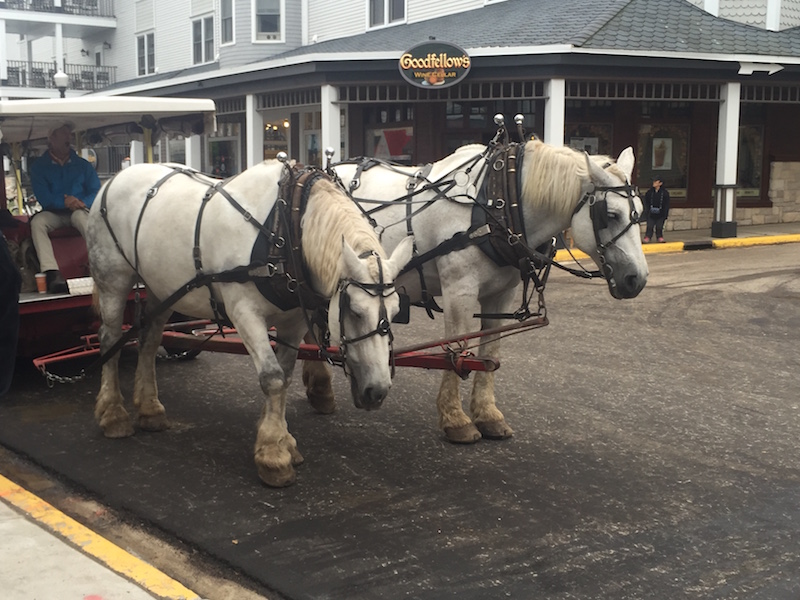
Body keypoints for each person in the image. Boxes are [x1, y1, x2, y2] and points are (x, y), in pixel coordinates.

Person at [29, 123, 101, 293]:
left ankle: (100, 261)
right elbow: (44, 197)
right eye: (63, 134)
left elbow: (96, 190)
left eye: (69, 134)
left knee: (82, 218)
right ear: (51, 139)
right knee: (38, 223)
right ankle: (52, 272)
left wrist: (80, 203)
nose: (68, 138)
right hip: (54, 213)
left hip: (79, 210)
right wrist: (64, 203)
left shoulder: (82, 165)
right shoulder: (39, 167)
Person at [643, 177, 670, 243]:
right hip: (651, 212)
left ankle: (659, 237)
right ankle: (648, 237)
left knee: (659, 226)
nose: (654, 183)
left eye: (656, 182)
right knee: (650, 226)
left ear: (660, 183)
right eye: (654, 182)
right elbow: (646, 202)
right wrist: (647, 211)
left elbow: (666, 204)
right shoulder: (650, 192)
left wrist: (665, 214)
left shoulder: (665, 193)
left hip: (661, 213)